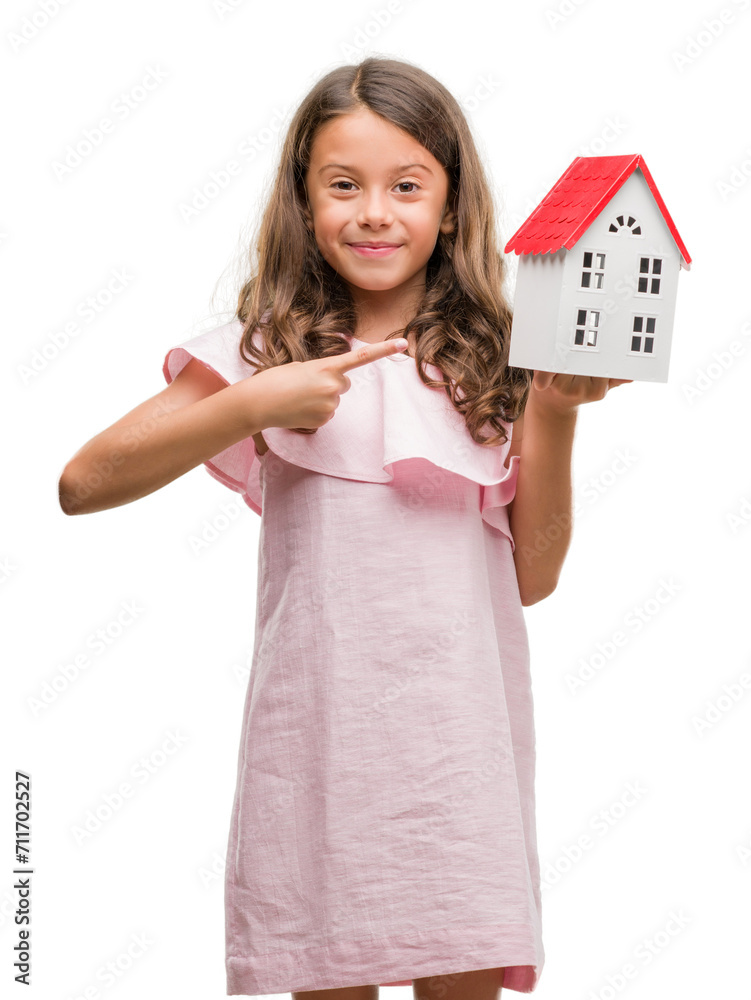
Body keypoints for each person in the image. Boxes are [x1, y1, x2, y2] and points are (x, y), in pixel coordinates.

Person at [58, 57, 631, 1000]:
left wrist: (558, 415)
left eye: (407, 185)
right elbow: (83, 483)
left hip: (457, 758)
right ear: (303, 200)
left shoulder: (505, 365)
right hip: (319, 751)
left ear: (450, 206)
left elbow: (533, 574)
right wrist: (250, 404)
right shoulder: (264, 356)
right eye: (343, 185)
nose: (375, 212)